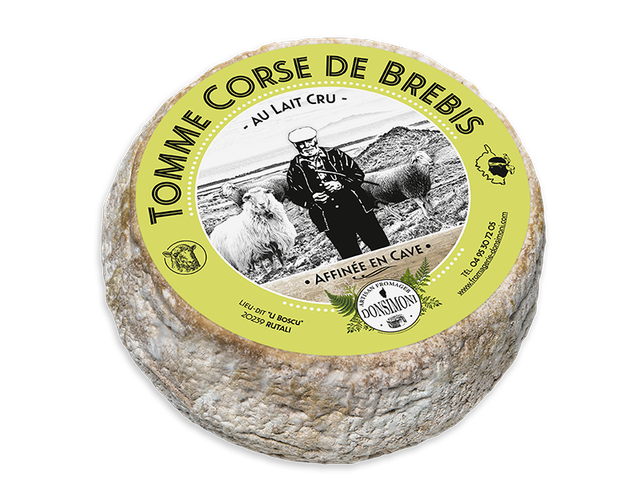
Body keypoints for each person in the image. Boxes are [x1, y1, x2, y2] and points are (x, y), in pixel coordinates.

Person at [286, 126, 390, 259]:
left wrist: (340, 184)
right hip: (330, 219)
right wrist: (312, 198)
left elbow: (357, 175)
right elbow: (295, 195)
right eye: (301, 144)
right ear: (296, 146)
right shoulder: (295, 167)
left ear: (315, 139)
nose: (307, 146)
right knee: (350, 257)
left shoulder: (335, 154)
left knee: (381, 247)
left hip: (358, 209)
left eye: (309, 141)